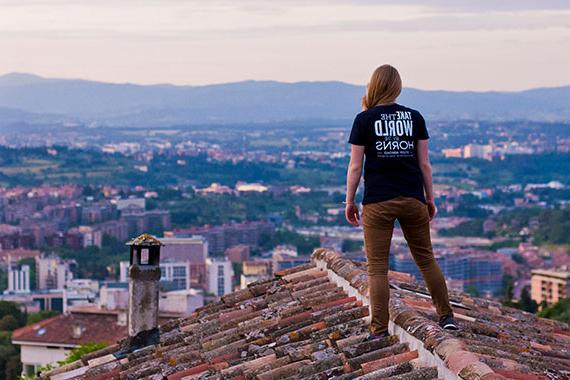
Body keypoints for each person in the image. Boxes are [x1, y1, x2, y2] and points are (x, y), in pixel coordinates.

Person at [344, 64, 457, 339]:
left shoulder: (364, 120)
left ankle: (379, 329)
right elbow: (424, 164)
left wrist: (349, 200)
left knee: (377, 268)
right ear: (397, 87)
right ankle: (446, 316)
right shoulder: (414, 117)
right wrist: (429, 198)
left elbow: (356, 167)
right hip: (412, 198)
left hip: (378, 200)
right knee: (426, 259)